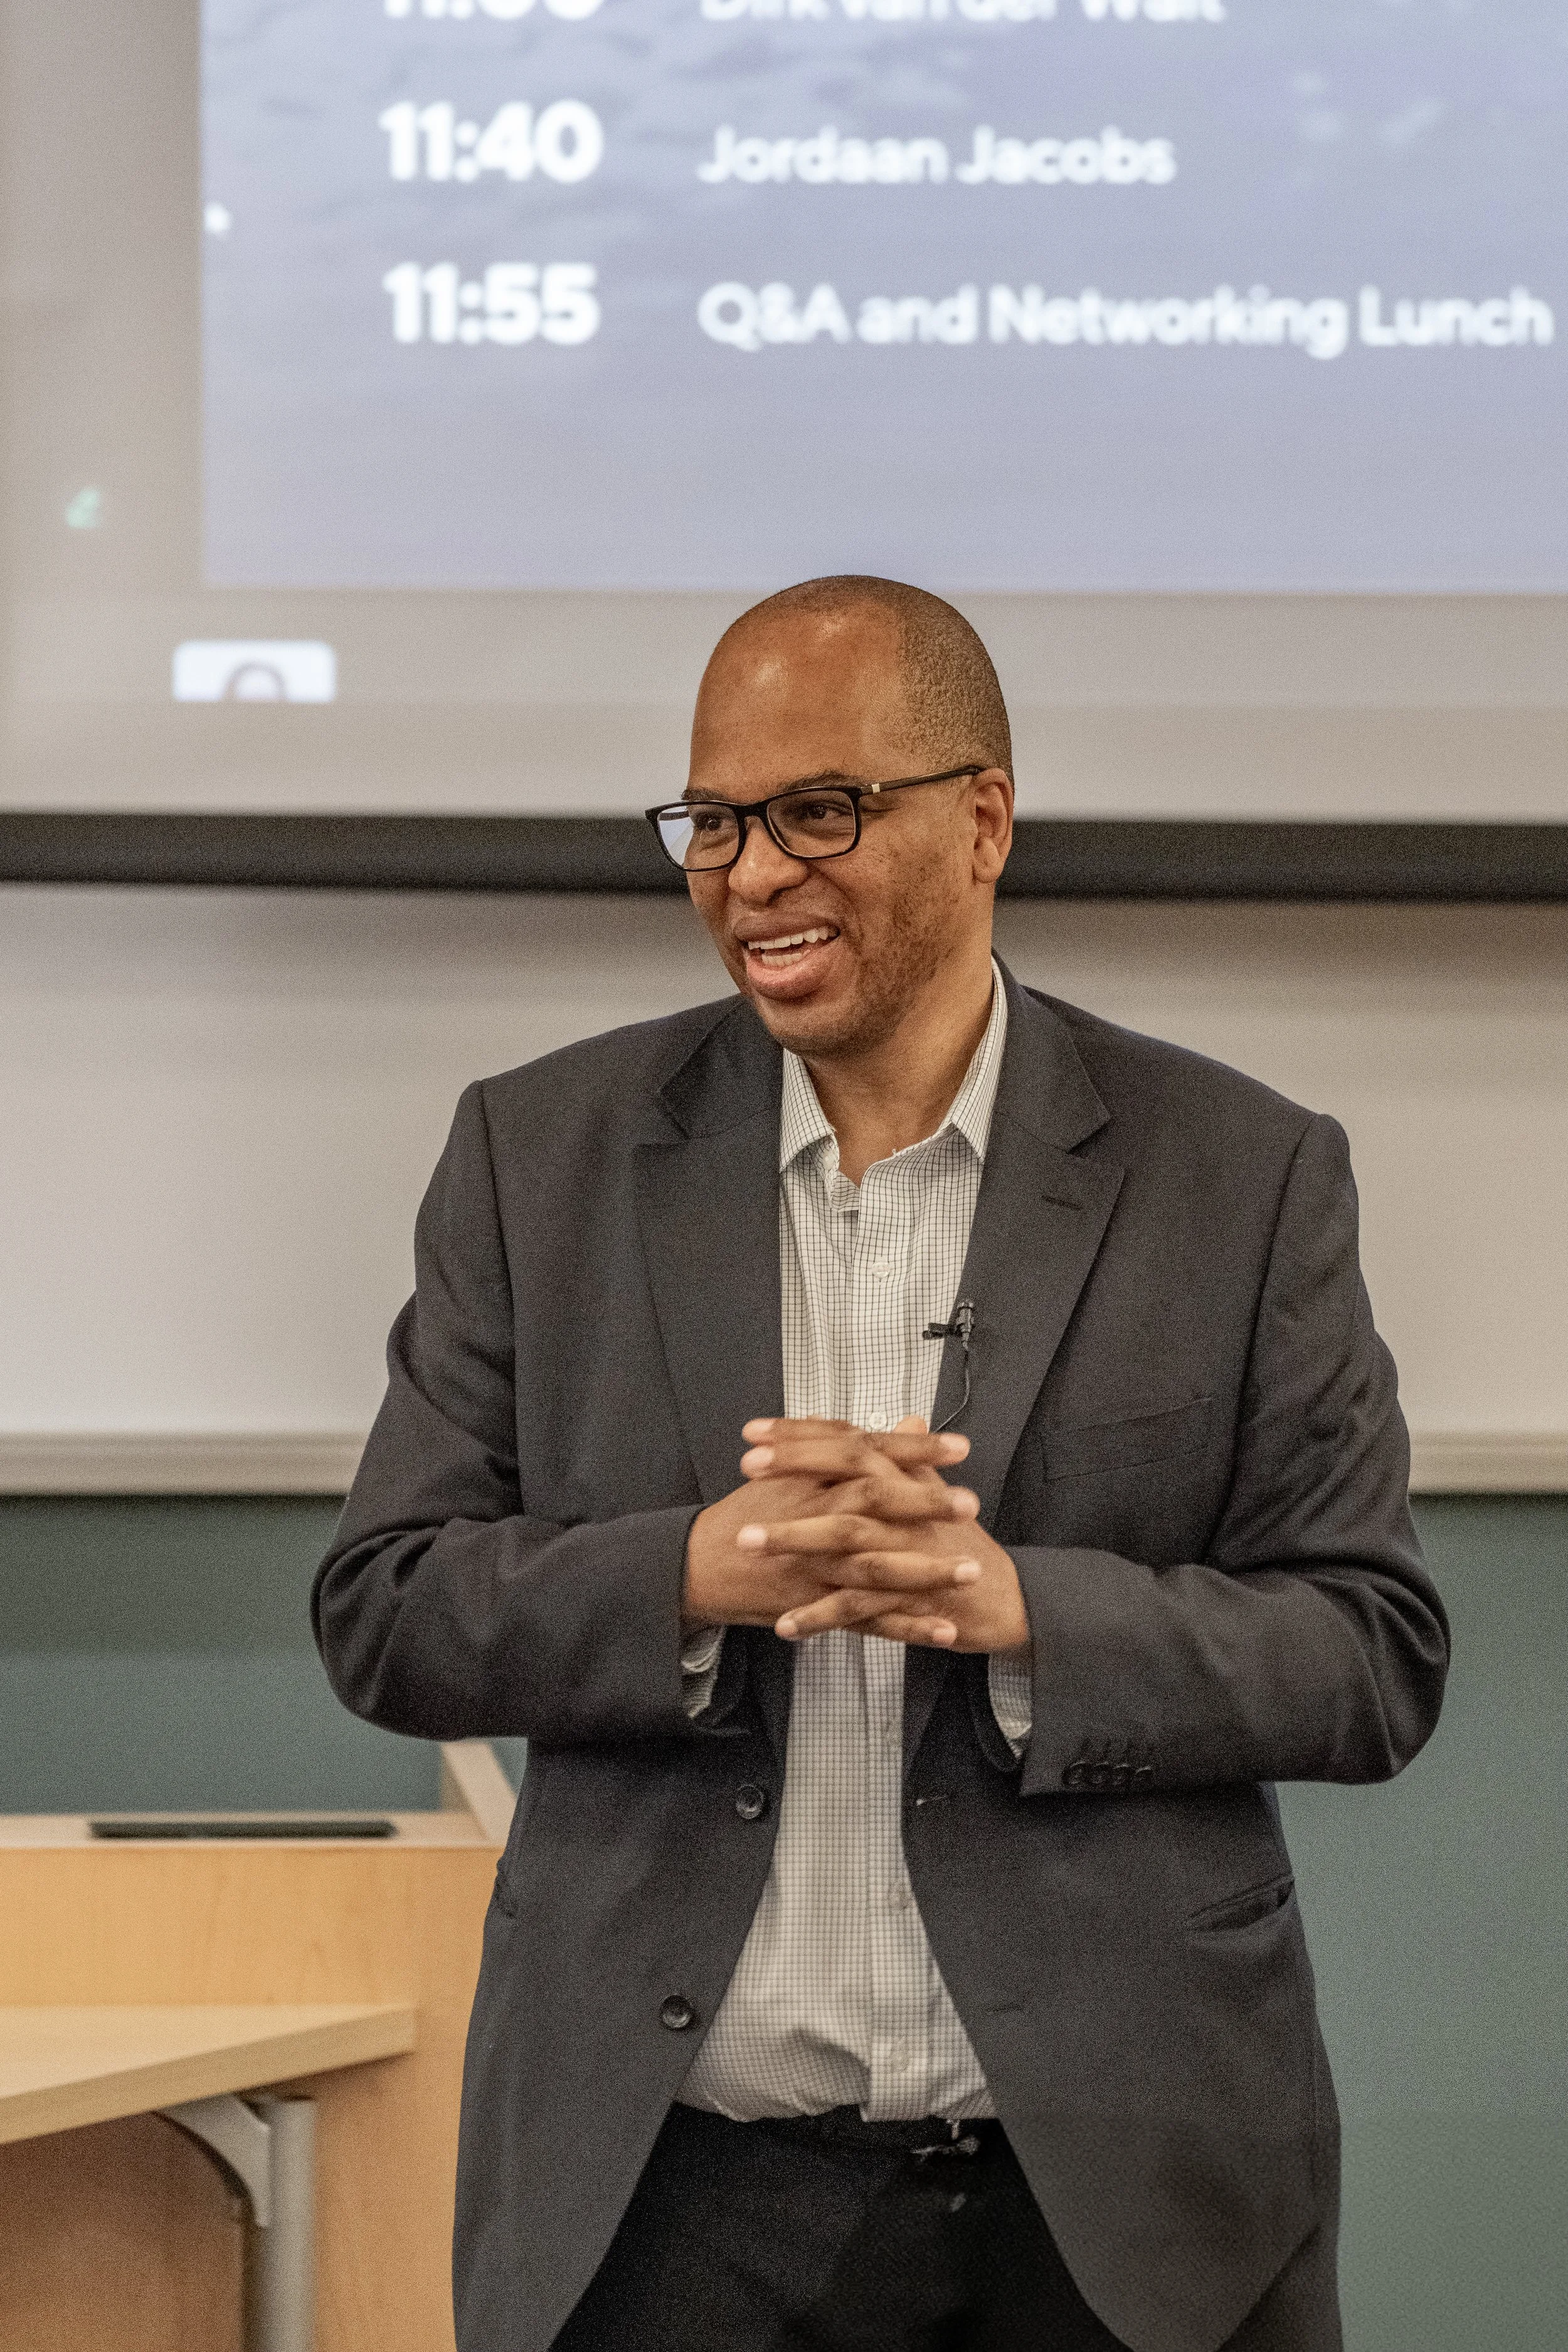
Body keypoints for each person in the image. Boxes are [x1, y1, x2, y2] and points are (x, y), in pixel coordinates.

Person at [312, 576, 1449, 2352]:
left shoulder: (1238, 1174)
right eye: (713, 822)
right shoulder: (541, 1157)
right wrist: (693, 1575)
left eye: (819, 812)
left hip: (1120, 2214)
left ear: (982, 820)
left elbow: (1371, 1652)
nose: (753, 874)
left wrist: (1021, 1610)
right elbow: (387, 1610)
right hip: (669, 2209)